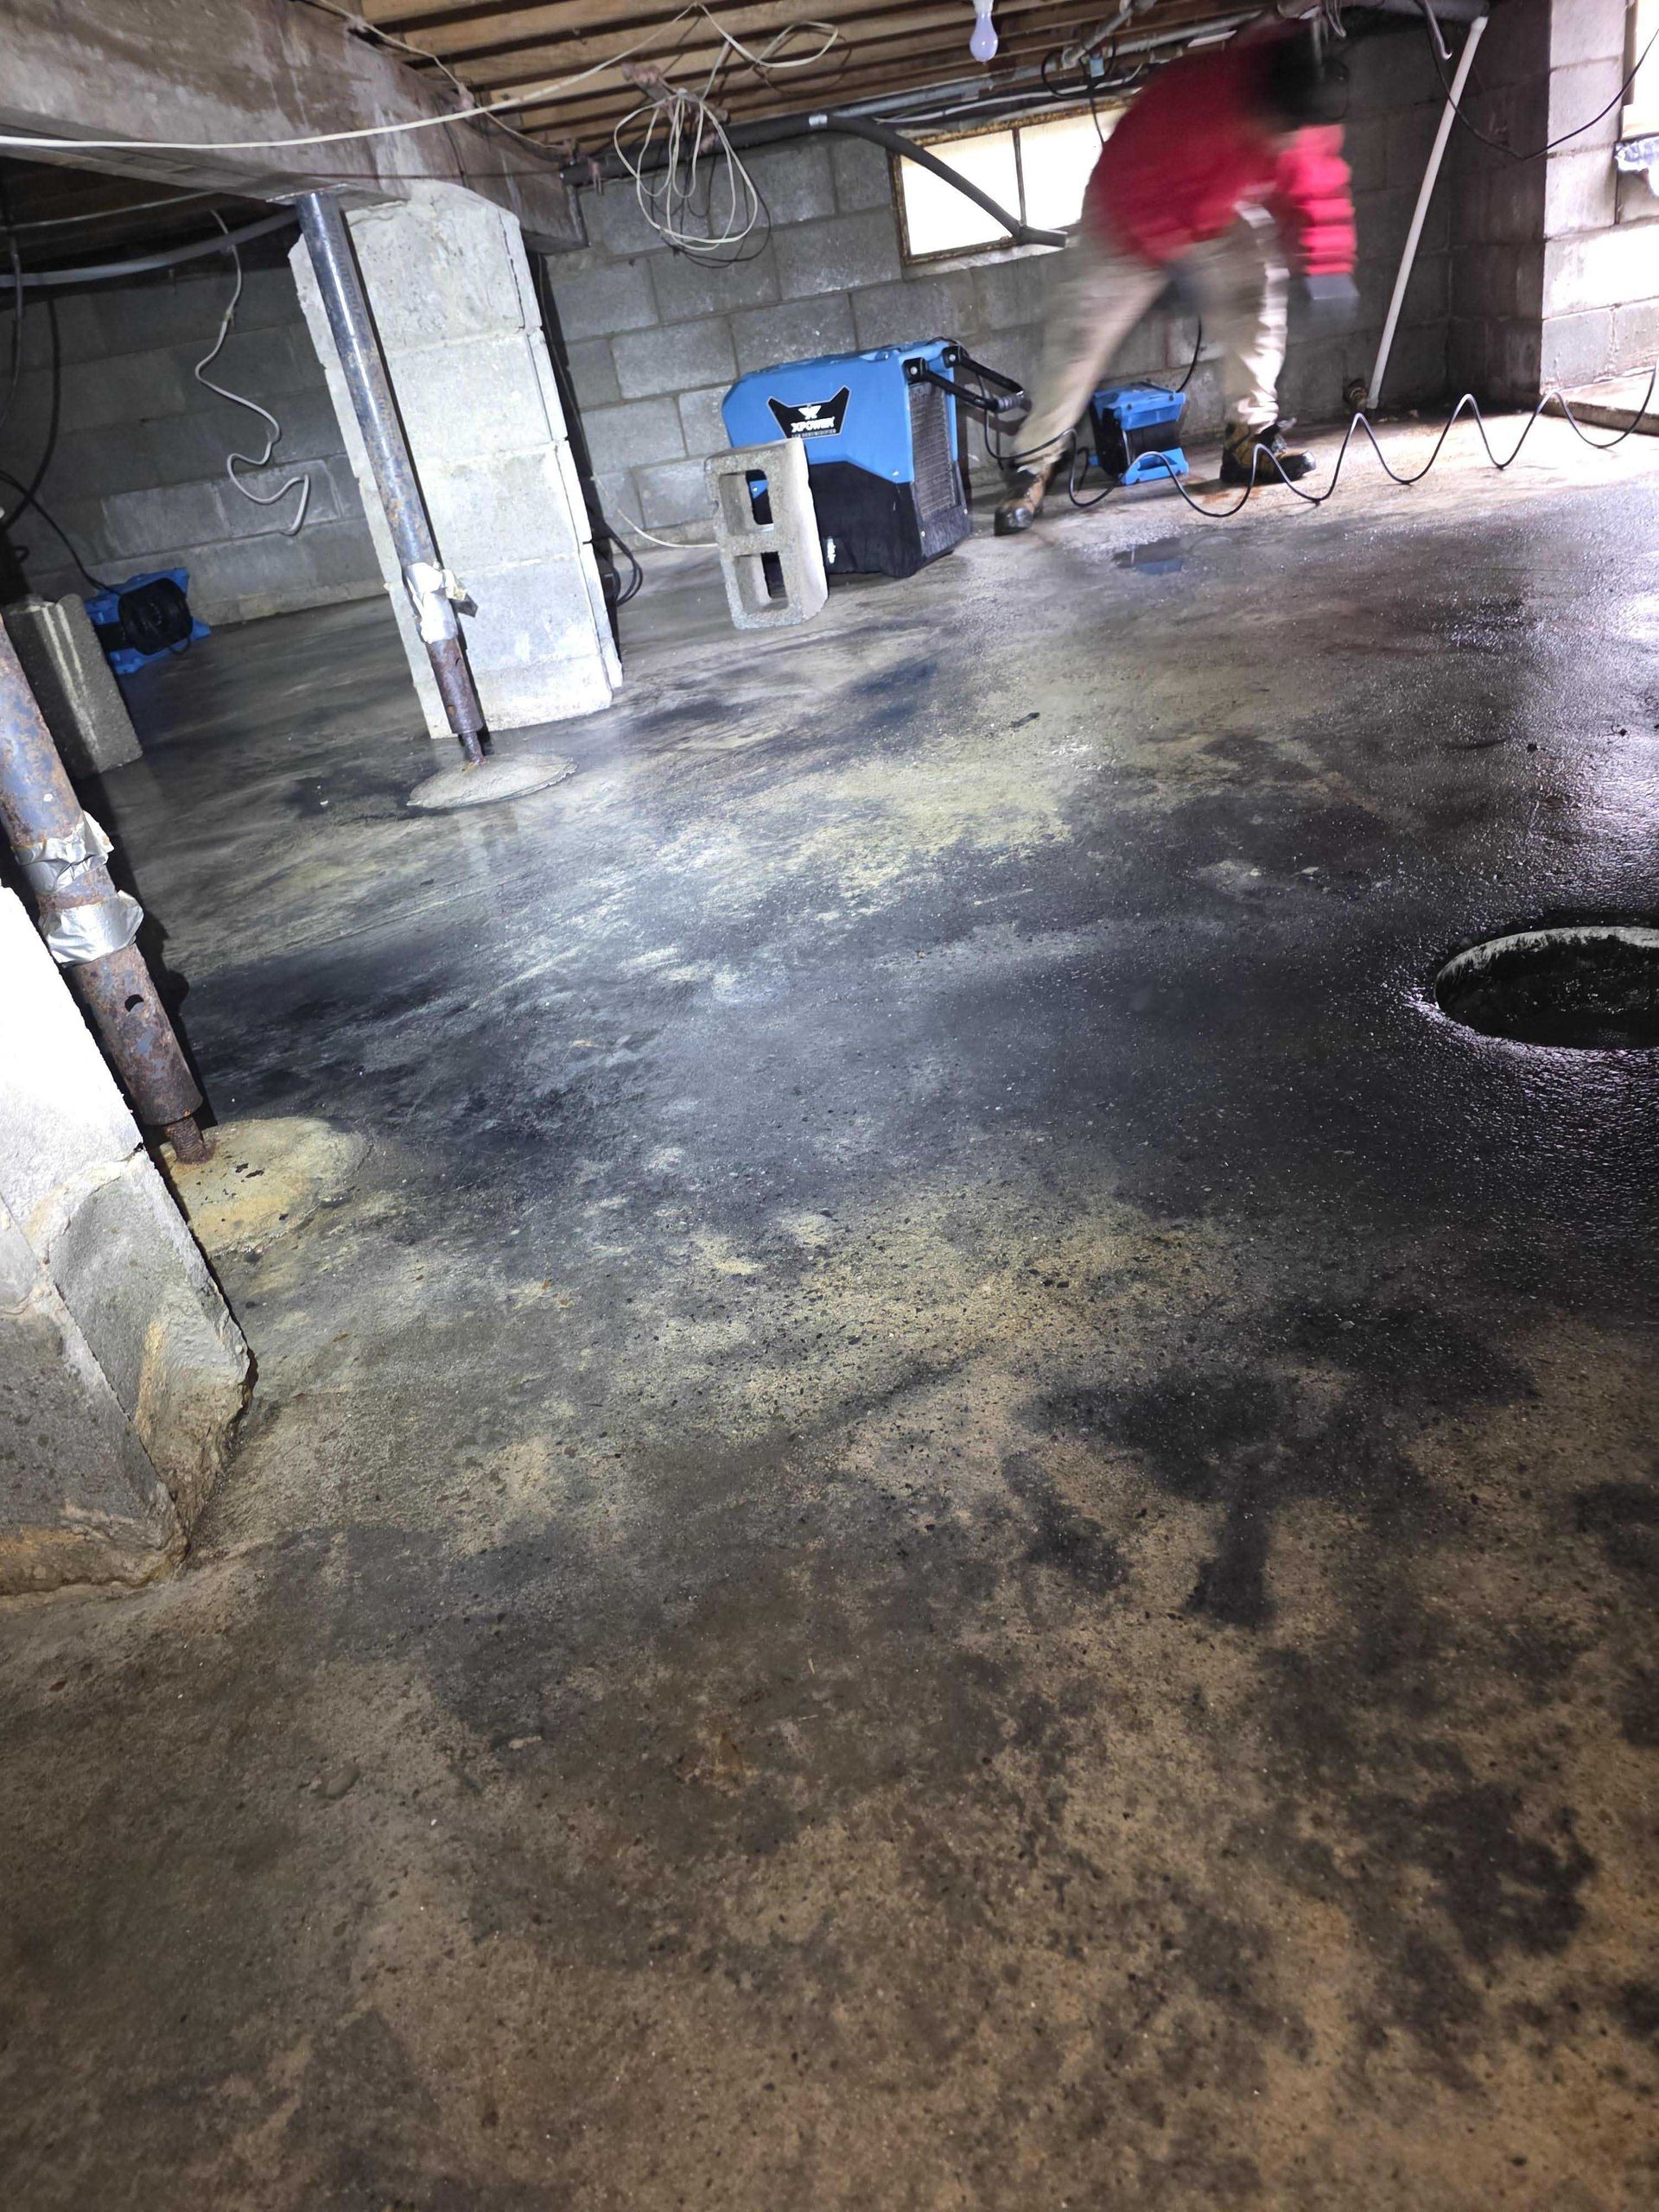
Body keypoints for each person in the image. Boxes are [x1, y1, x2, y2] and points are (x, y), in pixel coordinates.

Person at [995, 26, 1357, 535]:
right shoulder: (1193, 99)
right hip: (1125, 218)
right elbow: (1131, 182)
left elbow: (1312, 181)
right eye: (1273, 128)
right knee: (1081, 337)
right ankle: (1031, 467)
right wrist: (1168, 256)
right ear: (1256, 104)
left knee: (1258, 279)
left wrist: (1327, 264)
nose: (1280, 139)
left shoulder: (1292, 107)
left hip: (1213, 212)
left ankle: (1248, 441)